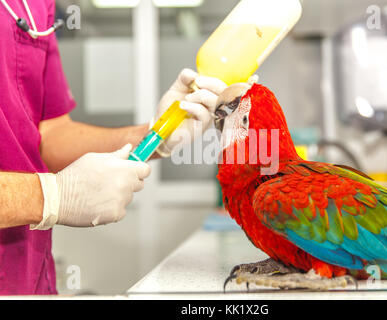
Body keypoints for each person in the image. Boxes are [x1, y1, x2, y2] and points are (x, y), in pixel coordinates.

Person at [0, 0, 227, 295]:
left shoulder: (36, 5)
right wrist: (52, 195)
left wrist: (156, 134)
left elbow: (49, 135)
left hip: (30, 278)